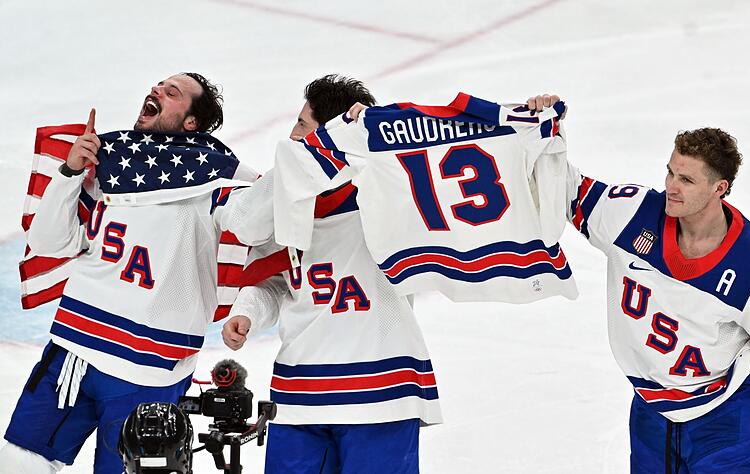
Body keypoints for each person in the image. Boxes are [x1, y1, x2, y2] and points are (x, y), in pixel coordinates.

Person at [525, 95, 750, 474]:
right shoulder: (632, 214)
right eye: (670, 173)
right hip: (650, 409)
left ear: (719, 188)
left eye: (687, 179)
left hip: (728, 416)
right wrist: (543, 130)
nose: (671, 187)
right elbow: (565, 190)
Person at [0, 73, 269, 473]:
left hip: (148, 372)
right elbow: (48, 241)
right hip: (76, 351)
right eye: (158, 85)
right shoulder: (112, 162)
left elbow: (256, 225)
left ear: (191, 122)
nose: (157, 91)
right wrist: (71, 172)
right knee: (20, 461)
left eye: (172, 92)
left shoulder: (217, 180)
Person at [221, 74, 442, 474]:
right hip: (300, 390)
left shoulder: (388, 190)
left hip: (381, 389)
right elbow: (258, 247)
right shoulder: (286, 201)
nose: (292, 134)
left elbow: (455, 158)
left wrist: (525, 126)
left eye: (303, 126)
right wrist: (249, 311)